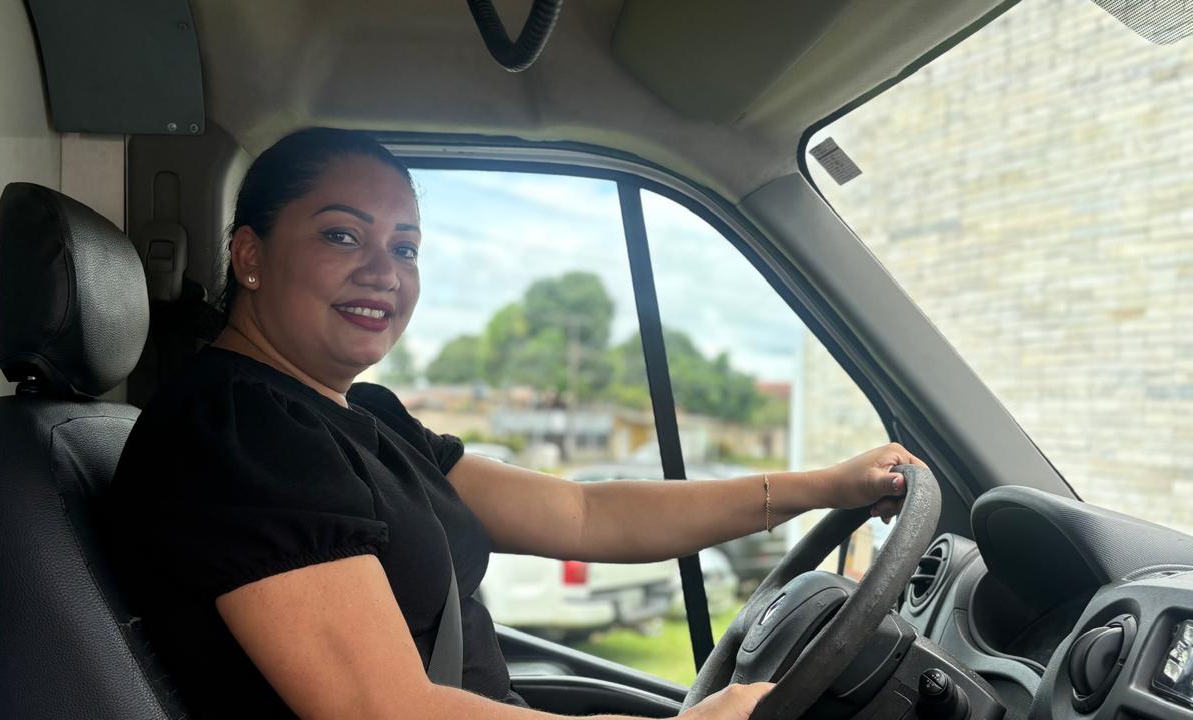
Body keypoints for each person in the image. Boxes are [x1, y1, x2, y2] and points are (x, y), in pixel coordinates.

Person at [107, 127, 922, 720]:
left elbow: (582, 512)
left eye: (408, 247)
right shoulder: (238, 430)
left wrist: (825, 485)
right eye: (342, 235)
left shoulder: (361, 414)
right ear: (249, 256)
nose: (383, 272)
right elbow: (384, 712)